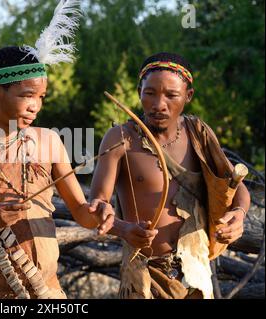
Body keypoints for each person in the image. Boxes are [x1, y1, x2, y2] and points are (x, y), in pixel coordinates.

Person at [0, 1, 114, 299]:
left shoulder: (50, 141)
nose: (35, 106)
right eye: (27, 95)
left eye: (41, 96)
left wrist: (99, 213)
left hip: (50, 293)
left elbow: (81, 212)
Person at [90, 52, 251, 299]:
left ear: (188, 96)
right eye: (150, 93)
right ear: (138, 92)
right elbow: (97, 205)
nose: (159, 104)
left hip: (195, 272)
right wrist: (123, 229)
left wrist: (238, 215)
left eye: (171, 95)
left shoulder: (198, 134)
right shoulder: (120, 138)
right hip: (143, 276)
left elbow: (237, 186)